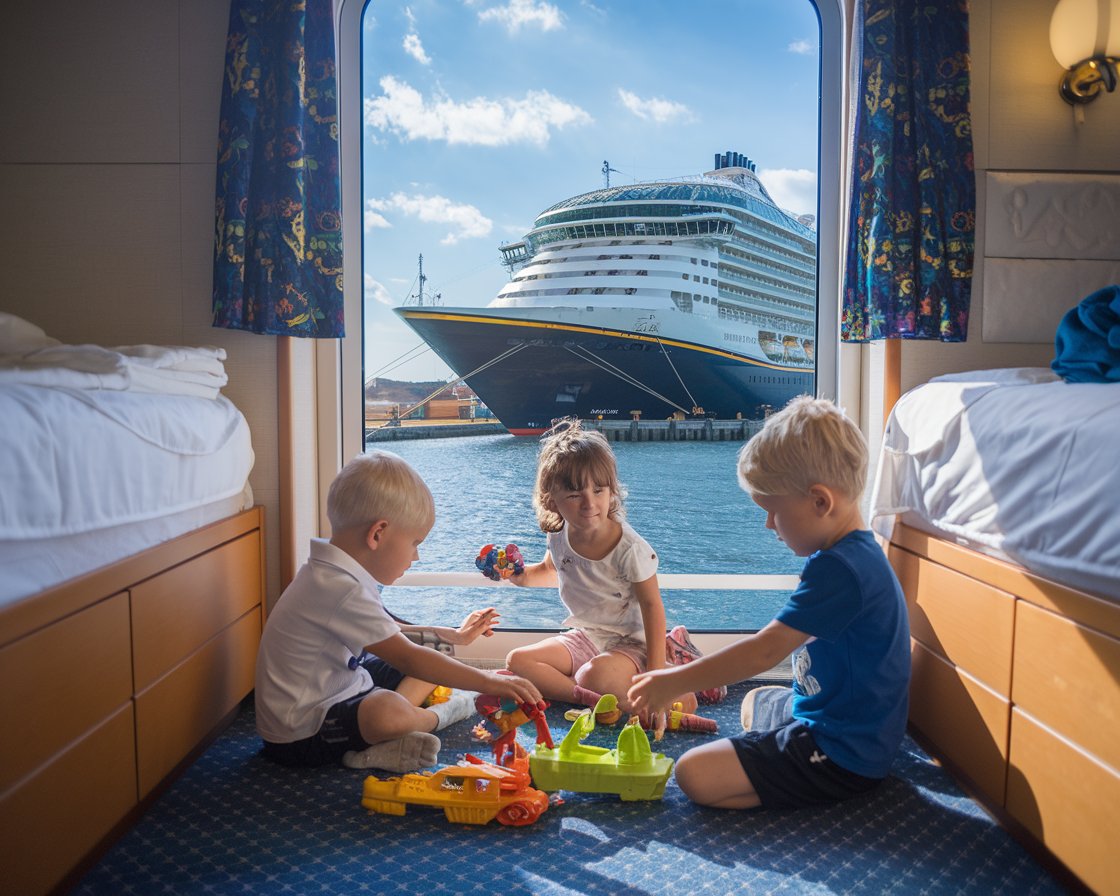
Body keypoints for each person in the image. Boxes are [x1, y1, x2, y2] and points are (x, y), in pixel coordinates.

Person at [627, 395, 911, 810]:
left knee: (692, 773)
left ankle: (800, 773)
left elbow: (765, 650)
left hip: (843, 750)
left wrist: (674, 682)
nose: (768, 525)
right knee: (753, 702)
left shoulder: (841, 571)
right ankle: (773, 751)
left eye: (773, 511)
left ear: (820, 502)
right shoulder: (847, 554)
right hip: (845, 721)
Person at [255, 451, 544, 772]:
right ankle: (440, 715)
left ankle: (388, 736)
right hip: (303, 732)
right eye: (414, 543)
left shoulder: (335, 573)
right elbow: (406, 657)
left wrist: (454, 637)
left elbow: (387, 631)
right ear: (378, 534)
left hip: (343, 681)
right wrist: (487, 682)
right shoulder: (341, 588)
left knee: (435, 648)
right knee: (388, 711)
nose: (416, 557)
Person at [505, 419, 705, 717]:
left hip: (633, 642)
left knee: (593, 676)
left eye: (598, 491)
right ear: (551, 500)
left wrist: (656, 674)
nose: (589, 504)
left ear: (612, 492)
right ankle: (589, 698)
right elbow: (549, 570)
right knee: (517, 661)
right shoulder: (558, 535)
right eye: (574, 495)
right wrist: (518, 576)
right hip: (587, 636)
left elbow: (652, 606)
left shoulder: (630, 548)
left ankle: (677, 673)